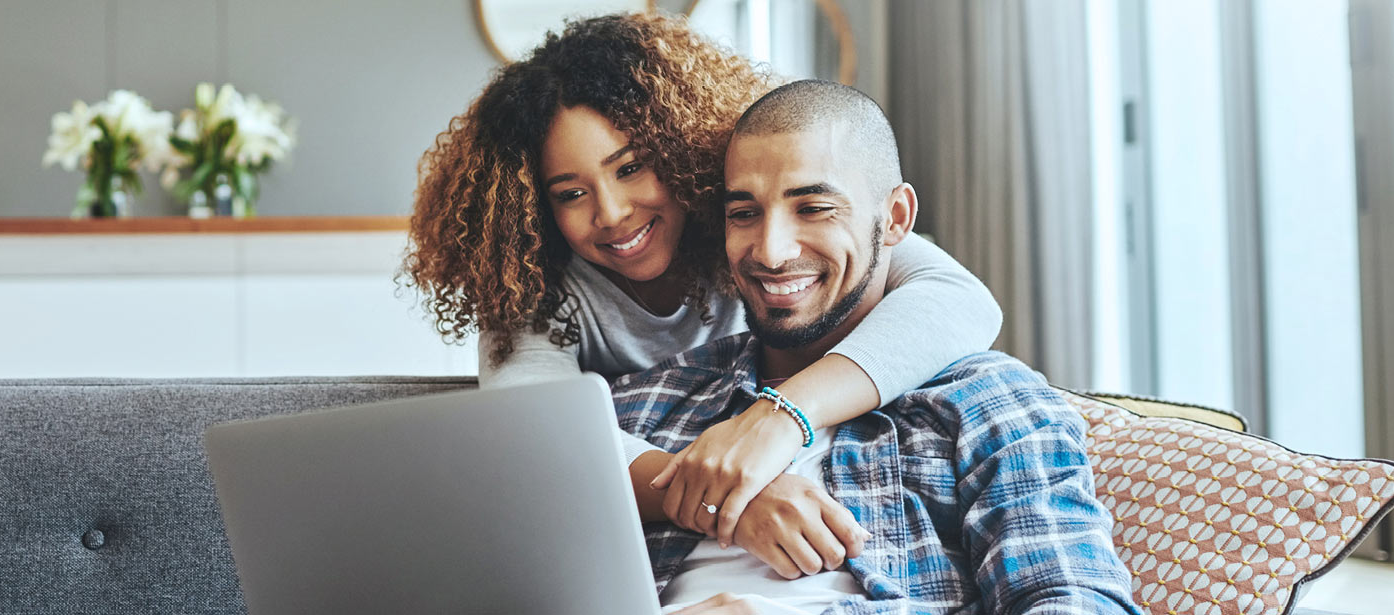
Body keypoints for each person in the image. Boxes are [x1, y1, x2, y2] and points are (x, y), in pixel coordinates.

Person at [401, 11, 1004, 573]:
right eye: (570, 194)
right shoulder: (532, 288)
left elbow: (961, 300)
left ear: (681, 150)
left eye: (631, 167)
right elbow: (530, 431)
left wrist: (781, 417)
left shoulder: (755, 229)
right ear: (534, 207)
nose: (611, 212)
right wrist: (727, 498)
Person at [622, 79, 1137, 615]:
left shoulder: (987, 402)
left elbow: (1078, 602)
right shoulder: (648, 401)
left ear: (895, 219)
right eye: (744, 214)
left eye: (814, 208)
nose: (771, 253)